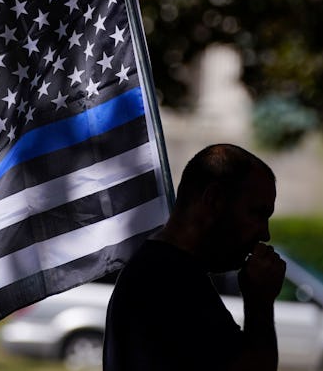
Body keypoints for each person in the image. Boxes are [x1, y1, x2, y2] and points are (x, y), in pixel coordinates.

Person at [103, 144, 286, 371]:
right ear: (214, 199)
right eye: (257, 213)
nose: (265, 234)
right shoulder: (168, 280)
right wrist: (260, 304)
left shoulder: (162, 269)